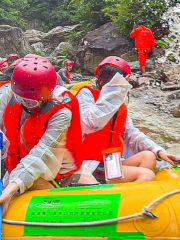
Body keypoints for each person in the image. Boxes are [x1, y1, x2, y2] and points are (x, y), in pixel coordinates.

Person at [72, 56, 178, 185]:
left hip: (109, 161)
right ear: (100, 81)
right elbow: (91, 123)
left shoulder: (119, 106)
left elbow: (132, 133)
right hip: (86, 164)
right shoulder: (85, 95)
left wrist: (158, 150)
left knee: (148, 156)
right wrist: (116, 90)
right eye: (115, 83)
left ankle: (128, 194)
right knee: (147, 174)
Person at [0, 55, 83, 216]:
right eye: (20, 99)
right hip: (15, 166)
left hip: (52, 172)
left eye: (31, 102)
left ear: (46, 95)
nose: (25, 105)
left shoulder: (62, 112)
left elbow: (42, 153)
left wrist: (11, 188)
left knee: (31, 181)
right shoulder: (12, 91)